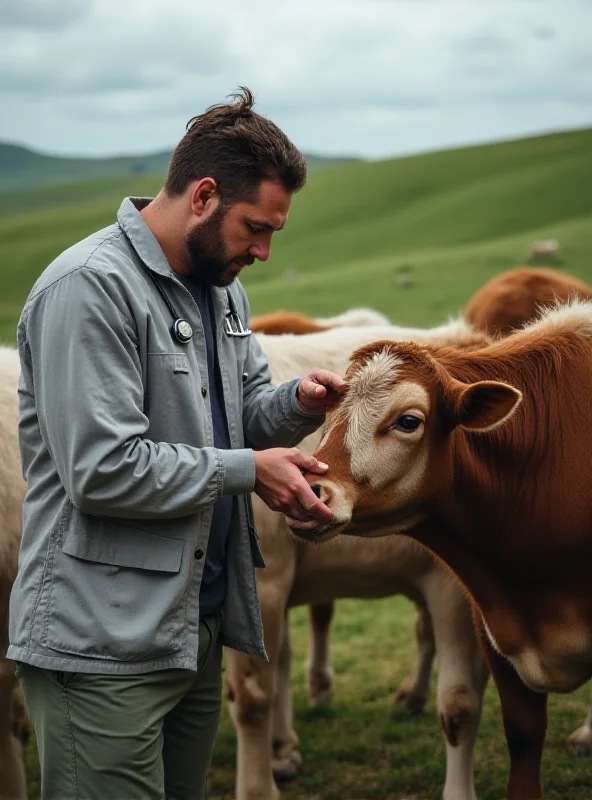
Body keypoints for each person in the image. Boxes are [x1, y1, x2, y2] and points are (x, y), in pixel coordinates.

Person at [8, 88, 345, 800]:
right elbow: (102, 471)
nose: (263, 250)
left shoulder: (221, 287)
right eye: (256, 227)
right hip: (98, 642)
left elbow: (242, 414)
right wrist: (250, 470)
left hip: (190, 628)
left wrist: (296, 404)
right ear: (203, 195)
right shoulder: (88, 289)